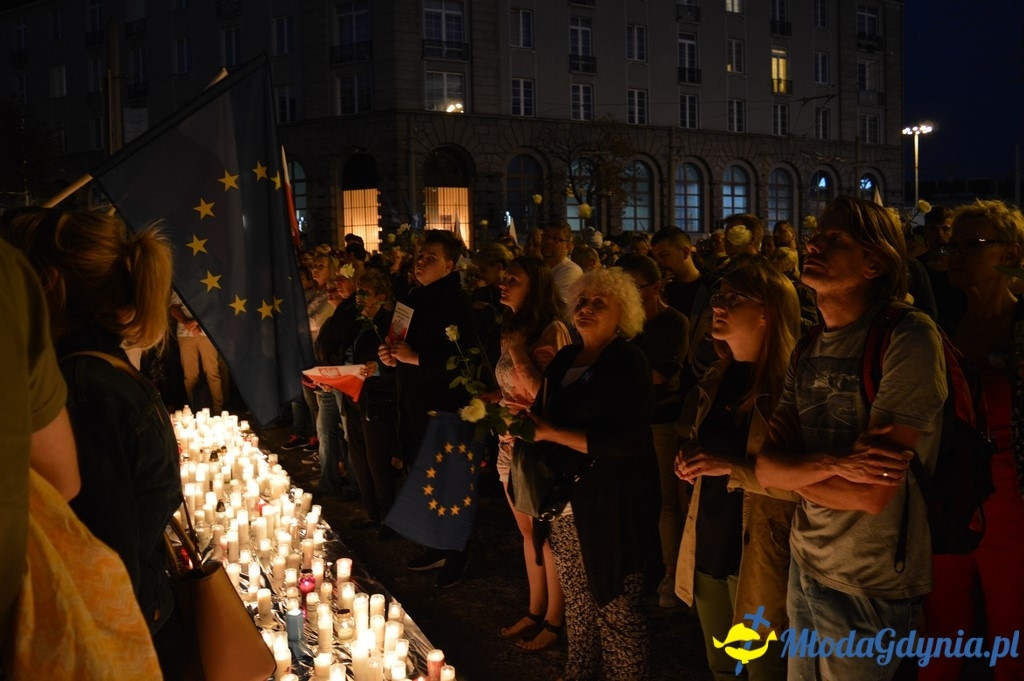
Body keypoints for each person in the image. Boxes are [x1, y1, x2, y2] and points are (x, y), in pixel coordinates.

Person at [756, 196, 947, 681]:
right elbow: (764, 467)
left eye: (835, 239)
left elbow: (870, 494)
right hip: (806, 560)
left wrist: (794, 470)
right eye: (815, 234)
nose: (812, 242)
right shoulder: (808, 345)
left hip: (871, 580)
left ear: (875, 263)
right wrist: (835, 464)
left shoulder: (908, 337)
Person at [2, 208, 187, 680]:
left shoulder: (82, 390)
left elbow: (104, 553)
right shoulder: (104, 369)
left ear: (47, 284)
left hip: (121, 638)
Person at [522, 268, 659, 681]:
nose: (587, 307)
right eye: (583, 300)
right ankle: (577, 672)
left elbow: (630, 438)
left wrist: (552, 433)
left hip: (613, 502)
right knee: (579, 601)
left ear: (624, 314)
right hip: (566, 502)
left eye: (601, 302)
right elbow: (546, 416)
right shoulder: (565, 358)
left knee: (615, 603)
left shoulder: (627, 361)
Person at [673, 257, 801, 681]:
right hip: (708, 545)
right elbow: (707, 445)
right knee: (722, 668)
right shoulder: (716, 376)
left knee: (764, 670)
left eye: (732, 298)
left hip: (760, 557)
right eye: (717, 297)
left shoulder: (792, 386)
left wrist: (730, 467)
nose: (718, 306)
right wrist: (690, 456)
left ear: (768, 312)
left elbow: (808, 483)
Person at [919, 199, 1024, 681]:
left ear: (1013, 253)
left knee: (1012, 633)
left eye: (973, 245)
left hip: (1013, 505)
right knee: (940, 630)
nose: (956, 254)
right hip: (954, 499)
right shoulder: (940, 332)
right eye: (953, 245)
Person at [379, 229, 482, 588]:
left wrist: (417, 357)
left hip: (444, 408)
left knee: (449, 483)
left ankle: (456, 552)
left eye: (430, 257)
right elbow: (399, 343)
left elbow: (466, 363)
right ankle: (433, 543)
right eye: (419, 256)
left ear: (450, 265)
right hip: (414, 401)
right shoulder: (413, 298)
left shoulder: (456, 304)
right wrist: (390, 357)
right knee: (424, 478)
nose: (420, 262)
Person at [492, 256, 572, 652]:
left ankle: (556, 619)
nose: (503, 284)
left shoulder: (551, 330)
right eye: (504, 278)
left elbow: (548, 395)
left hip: (537, 450)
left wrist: (520, 352)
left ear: (536, 287)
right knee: (527, 532)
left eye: (513, 279)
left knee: (547, 535)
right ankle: (535, 606)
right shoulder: (512, 329)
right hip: (509, 445)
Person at [618, 255, 691, 609]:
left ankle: (671, 571)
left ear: (656, 287)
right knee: (633, 494)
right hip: (629, 418)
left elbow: (663, 375)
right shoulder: (623, 324)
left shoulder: (674, 323)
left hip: (661, 419)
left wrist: (619, 374)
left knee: (665, 498)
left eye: (635, 288)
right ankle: (640, 563)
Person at [343, 267, 402, 535]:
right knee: (360, 459)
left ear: (381, 294)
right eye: (358, 290)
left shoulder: (389, 324)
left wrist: (376, 369)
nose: (359, 296)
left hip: (378, 402)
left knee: (377, 462)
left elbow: (398, 367)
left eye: (365, 291)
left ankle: (389, 519)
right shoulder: (358, 322)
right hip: (355, 398)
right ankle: (372, 513)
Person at [169, 291, 224, 414]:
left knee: (212, 372)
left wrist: (195, 322)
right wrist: (187, 322)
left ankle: (218, 410)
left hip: (207, 333)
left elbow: (215, 306)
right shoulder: (180, 284)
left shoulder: (207, 281)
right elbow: (173, 308)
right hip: (185, 334)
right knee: (190, 375)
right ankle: (195, 408)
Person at [540, 222, 583, 303]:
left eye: (555, 238)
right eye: (545, 236)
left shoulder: (571, 271)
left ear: (567, 246)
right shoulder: (538, 268)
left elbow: (555, 305)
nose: (548, 241)